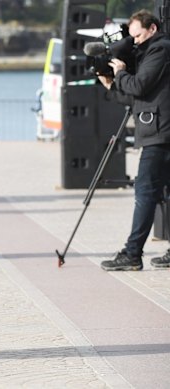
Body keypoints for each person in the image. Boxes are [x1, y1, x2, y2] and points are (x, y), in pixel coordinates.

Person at [97, 10, 170, 271]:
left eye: (138, 35)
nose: (135, 41)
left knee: (145, 193)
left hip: (159, 135)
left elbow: (138, 86)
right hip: (158, 131)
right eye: (132, 36)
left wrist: (121, 74)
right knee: (162, 193)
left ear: (152, 28)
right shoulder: (150, 52)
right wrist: (111, 85)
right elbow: (137, 97)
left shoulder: (161, 49)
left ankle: (132, 254)